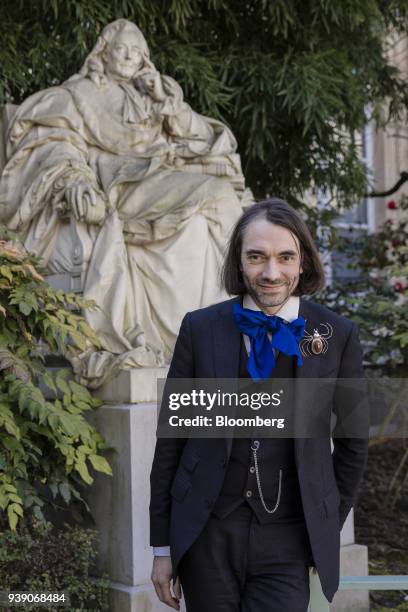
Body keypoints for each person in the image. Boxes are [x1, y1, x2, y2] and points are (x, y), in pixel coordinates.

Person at [0, 19, 250, 387]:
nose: (131, 57)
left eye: (138, 51)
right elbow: (52, 143)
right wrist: (75, 180)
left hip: (156, 175)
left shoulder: (151, 98)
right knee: (217, 195)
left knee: (222, 202)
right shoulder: (77, 95)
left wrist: (170, 106)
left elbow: (206, 140)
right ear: (103, 51)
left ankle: (225, 331)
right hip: (115, 184)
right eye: (123, 49)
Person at [149, 198, 369, 611]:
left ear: (302, 262)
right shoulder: (199, 329)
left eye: (285, 257)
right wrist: (162, 547)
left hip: (288, 539)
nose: (271, 272)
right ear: (239, 261)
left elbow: (354, 445)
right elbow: (171, 444)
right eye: (257, 257)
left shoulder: (338, 335)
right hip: (206, 533)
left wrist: (323, 527)